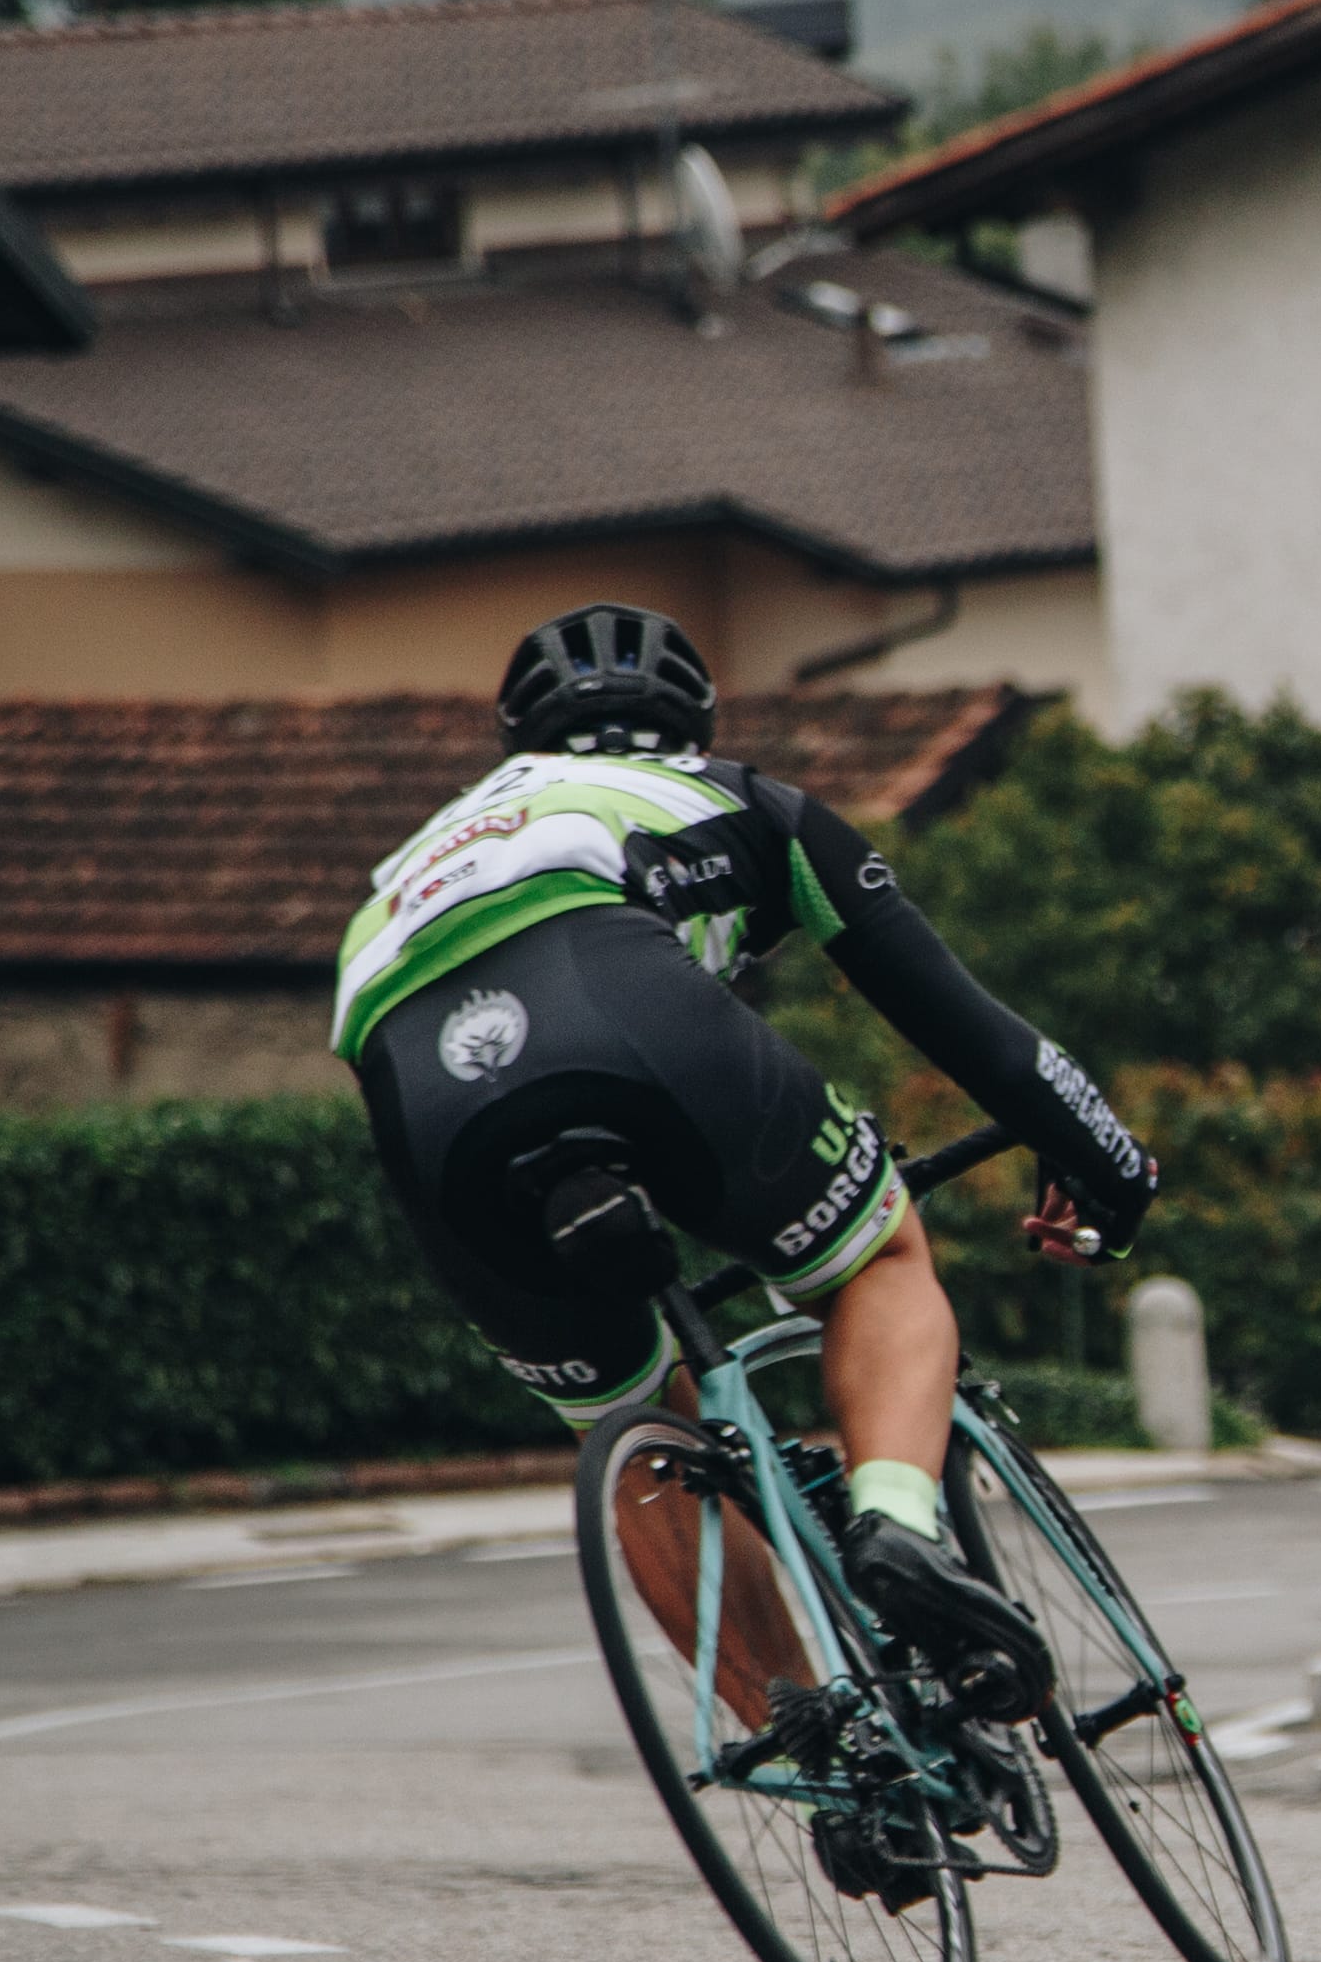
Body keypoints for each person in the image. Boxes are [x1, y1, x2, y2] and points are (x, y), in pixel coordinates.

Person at [337, 603, 1157, 1684]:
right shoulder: (736, 796)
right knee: (877, 1260)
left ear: (515, 740)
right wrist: (1104, 1157)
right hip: (615, 996)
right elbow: (967, 1027)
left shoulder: (406, 869)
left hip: (422, 1091)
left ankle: (821, 1759)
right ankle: (899, 1527)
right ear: (694, 720)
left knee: (635, 1427)